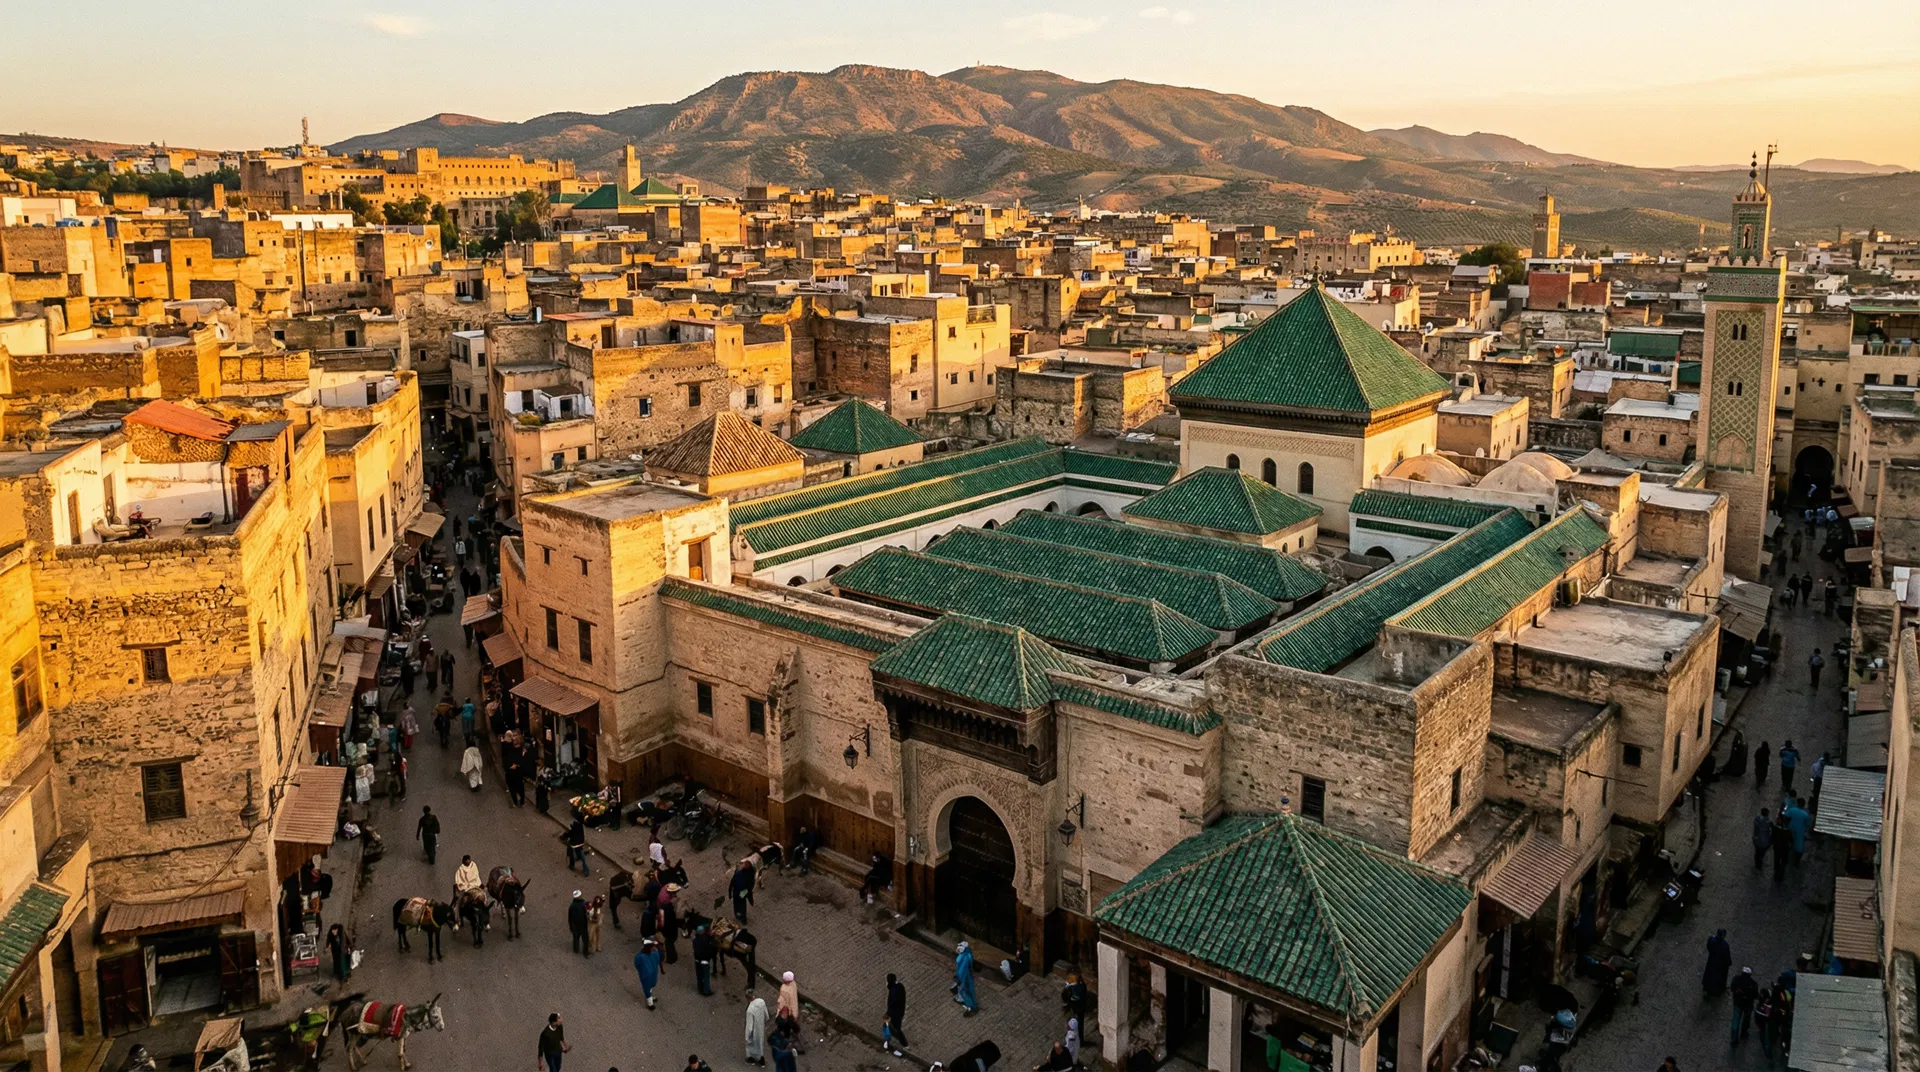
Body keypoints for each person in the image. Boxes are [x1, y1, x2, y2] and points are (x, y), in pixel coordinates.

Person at [1731, 966, 1760, 1044]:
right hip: (1748, 1005)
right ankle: (1743, 1033)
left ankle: (1734, 1039)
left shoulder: (1736, 979)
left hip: (1737, 1003)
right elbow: (1755, 995)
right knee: (1746, 1020)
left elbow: (1732, 988)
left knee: (1736, 1020)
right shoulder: (1753, 984)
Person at [633, 938, 662, 1009]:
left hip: (650, 973)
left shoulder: (640, 956)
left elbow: (637, 965)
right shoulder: (643, 956)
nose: (654, 948)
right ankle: (650, 1003)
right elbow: (659, 960)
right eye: (653, 946)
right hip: (647, 975)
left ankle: (650, 996)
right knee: (647, 987)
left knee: (650, 986)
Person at [884, 972, 909, 1055]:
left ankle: (904, 1044)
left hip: (895, 1014)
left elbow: (893, 1003)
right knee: (889, 1026)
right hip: (899, 1011)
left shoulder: (894, 990)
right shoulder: (899, 986)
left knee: (894, 1028)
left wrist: (888, 1014)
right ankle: (889, 1040)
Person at [1784, 796, 1812, 865]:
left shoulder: (1792, 810)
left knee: (1787, 845)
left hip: (1790, 830)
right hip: (1799, 833)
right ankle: (1796, 863)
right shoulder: (1805, 815)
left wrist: (1787, 826)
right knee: (1799, 849)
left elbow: (1785, 818)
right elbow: (1808, 825)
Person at [744, 990, 770, 1066]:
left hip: (754, 1030)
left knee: (751, 1045)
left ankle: (751, 1059)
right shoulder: (761, 1002)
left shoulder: (750, 1010)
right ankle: (762, 1060)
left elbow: (749, 1026)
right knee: (760, 1043)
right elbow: (766, 1014)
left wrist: (747, 1036)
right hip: (761, 1026)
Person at [1703, 929, 1732, 995]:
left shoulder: (1712, 940)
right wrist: (1728, 962)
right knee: (1718, 977)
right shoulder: (1725, 945)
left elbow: (1708, 946)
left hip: (1711, 961)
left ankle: (1706, 989)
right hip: (1720, 964)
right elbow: (1727, 956)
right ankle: (1716, 990)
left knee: (1709, 975)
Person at [954, 940, 978, 1015]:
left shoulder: (963, 958)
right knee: (970, 990)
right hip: (968, 976)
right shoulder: (968, 955)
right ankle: (973, 1005)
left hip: (964, 977)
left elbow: (961, 970)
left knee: (964, 991)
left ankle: (971, 1007)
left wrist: (958, 978)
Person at [693, 925, 717, 996]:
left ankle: (700, 988)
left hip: (697, 961)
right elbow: (711, 947)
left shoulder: (695, 940)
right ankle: (706, 991)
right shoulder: (706, 940)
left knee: (699, 976)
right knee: (706, 977)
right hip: (705, 961)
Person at [776, 971, 801, 1038]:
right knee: (791, 1023)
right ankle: (795, 1031)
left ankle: (787, 1036)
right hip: (790, 1011)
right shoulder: (793, 984)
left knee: (786, 1025)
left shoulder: (784, 989)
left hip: (788, 1011)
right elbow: (794, 1001)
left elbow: (782, 1001)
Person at [730, 860, 755, 924]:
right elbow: (732, 882)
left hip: (742, 893)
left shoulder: (750, 874)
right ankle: (738, 915)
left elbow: (751, 885)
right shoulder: (738, 872)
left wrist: (745, 893)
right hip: (736, 892)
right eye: (744, 863)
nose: (744, 865)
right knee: (736, 905)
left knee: (742, 907)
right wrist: (730, 892)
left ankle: (743, 919)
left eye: (746, 864)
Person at [1771, 810, 1792, 883]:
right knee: (1783, 863)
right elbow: (1791, 840)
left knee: (1777, 860)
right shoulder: (1788, 832)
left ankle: (1776, 873)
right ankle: (1781, 876)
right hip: (1784, 849)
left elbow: (1772, 836)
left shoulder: (1777, 829)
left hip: (1777, 847)